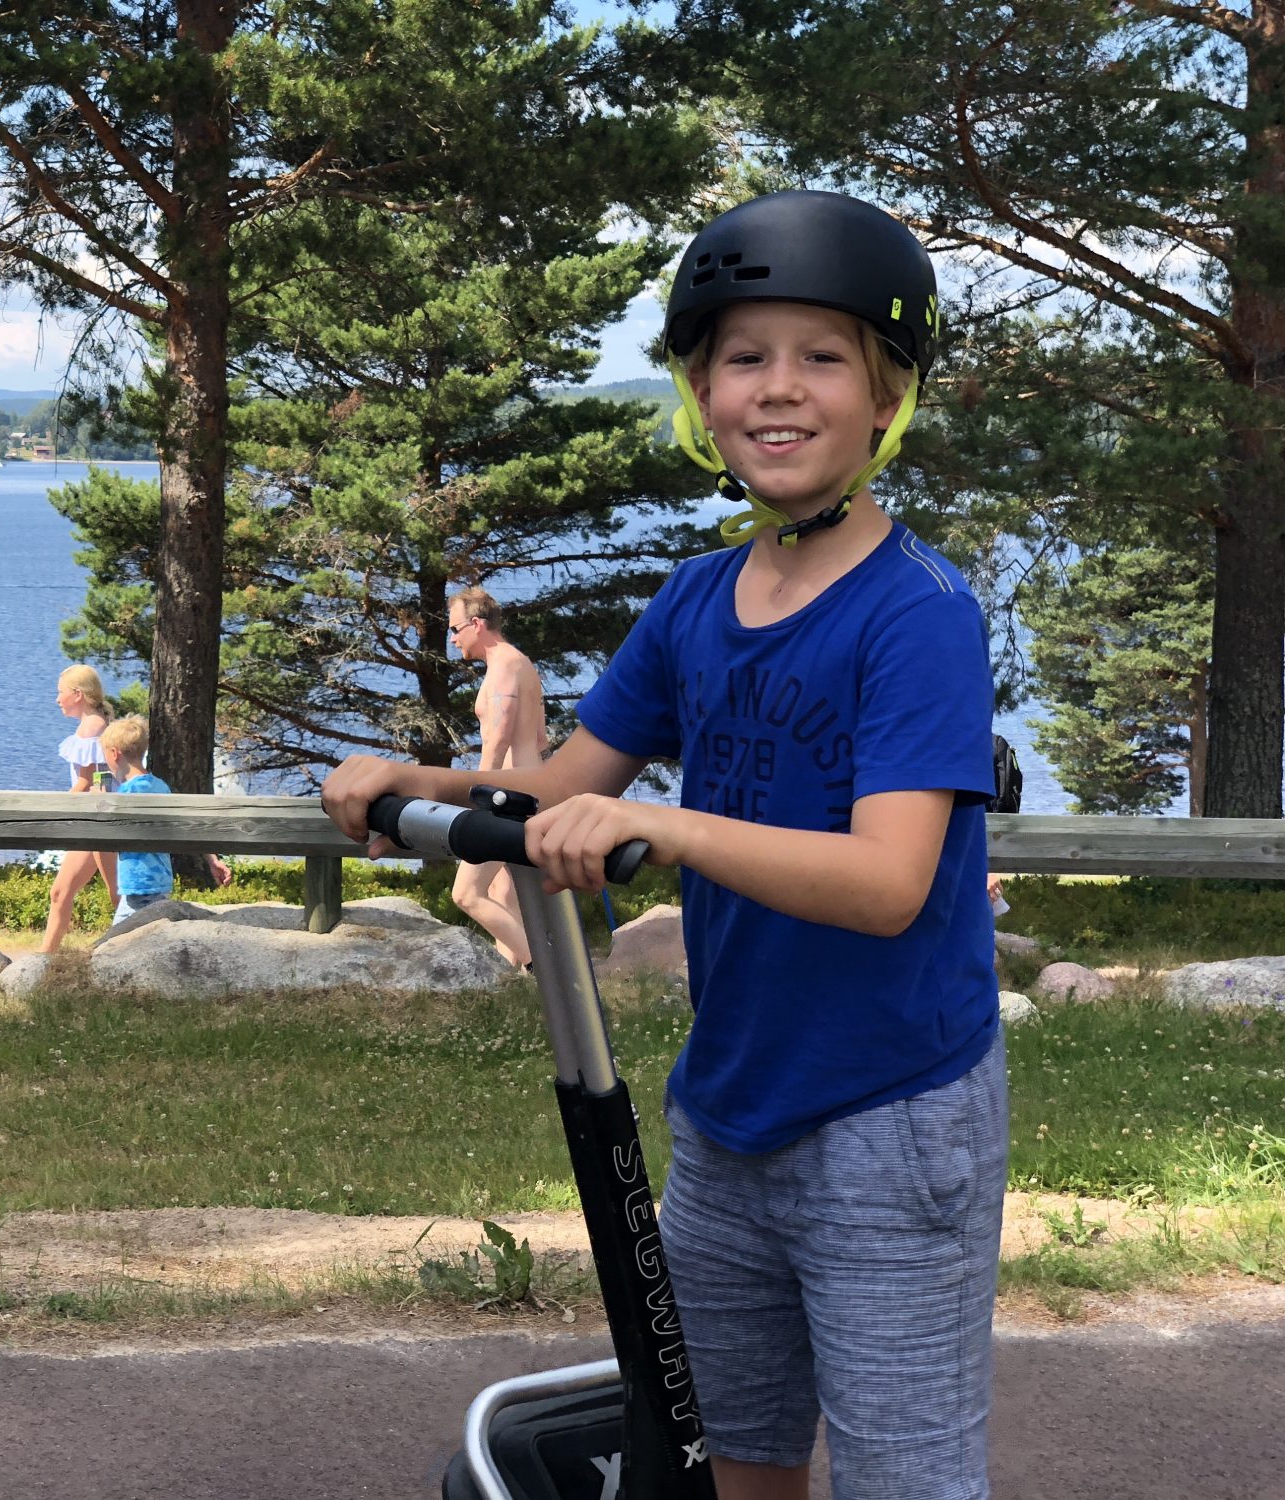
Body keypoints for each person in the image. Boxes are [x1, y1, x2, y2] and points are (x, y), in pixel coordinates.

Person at [321, 190, 1003, 1500]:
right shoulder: (698, 598)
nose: (778, 390)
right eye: (744, 358)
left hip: (892, 1118)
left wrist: (662, 824)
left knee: (900, 1481)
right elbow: (569, 783)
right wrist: (419, 776)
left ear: (885, 395)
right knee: (722, 1461)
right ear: (701, 389)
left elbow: (887, 883)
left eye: (822, 358)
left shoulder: (917, 617)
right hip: (730, 1110)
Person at [447, 585, 548, 969]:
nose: (453, 639)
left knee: (467, 893)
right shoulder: (519, 663)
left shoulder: (505, 665)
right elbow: (539, 738)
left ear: (477, 624)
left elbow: (499, 736)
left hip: (507, 798)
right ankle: (515, 985)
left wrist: (477, 795)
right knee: (503, 892)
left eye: (455, 629)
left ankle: (544, 966)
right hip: (526, 790)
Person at [98, 715, 231, 922]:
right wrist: (211, 858)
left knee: (116, 941)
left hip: (137, 883)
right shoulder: (161, 787)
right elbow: (184, 825)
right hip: (160, 881)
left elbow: (110, 833)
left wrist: (99, 803)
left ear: (115, 754)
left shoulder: (125, 793)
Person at [40, 665, 121, 954]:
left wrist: (51, 810)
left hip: (97, 820)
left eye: (60, 693)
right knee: (62, 892)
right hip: (95, 818)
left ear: (77, 694)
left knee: (115, 893)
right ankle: (45, 958)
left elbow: (86, 783)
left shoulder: (92, 727)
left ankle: (132, 946)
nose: (57, 699)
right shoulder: (95, 723)